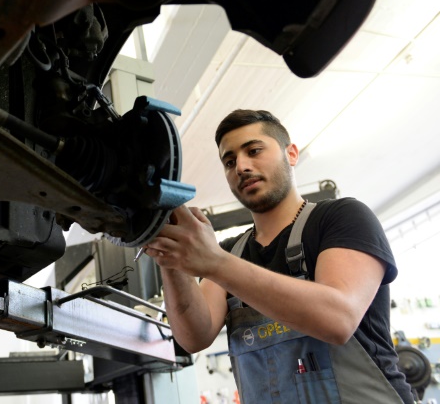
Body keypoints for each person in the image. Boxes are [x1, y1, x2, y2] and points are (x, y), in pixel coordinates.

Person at [145, 109, 414, 404]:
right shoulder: (230, 251)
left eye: (254, 150)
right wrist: (170, 255)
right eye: (230, 161)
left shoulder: (341, 217)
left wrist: (214, 263)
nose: (241, 167)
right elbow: (194, 336)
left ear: (292, 154)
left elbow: (338, 319)